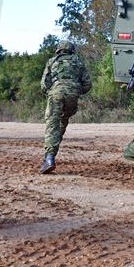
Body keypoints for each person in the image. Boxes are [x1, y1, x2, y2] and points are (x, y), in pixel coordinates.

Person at [38, 40, 92, 174]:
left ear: (59, 50)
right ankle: (51, 154)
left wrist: (51, 92)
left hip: (56, 94)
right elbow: (87, 84)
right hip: (72, 96)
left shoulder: (52, 61)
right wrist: (75, 91)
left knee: (52, 124)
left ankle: (49, 157)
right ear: (72, 50)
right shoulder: (78, 62)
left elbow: (44, 83)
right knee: (63, 121)